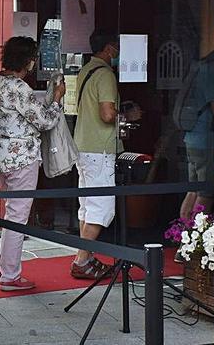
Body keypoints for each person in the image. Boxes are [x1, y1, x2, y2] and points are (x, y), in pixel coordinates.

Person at [0, 36, 65, 291]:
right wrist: (57, 99)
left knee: (11, 212)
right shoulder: (19, 88)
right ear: (28, 61)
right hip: (21, 157)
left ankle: (3, 267)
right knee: (18, 216)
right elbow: (44, 120)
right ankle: (10, 274)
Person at [72, 32, 138, 279]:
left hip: (83, 144)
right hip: (100, 148)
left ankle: (86, 256)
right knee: (102, 206)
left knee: (87, 205)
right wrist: (128, 116)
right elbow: (107, 114)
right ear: (110, 48)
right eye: (118, 48)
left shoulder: (86, 70)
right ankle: (82, 259)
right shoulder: (106, 75)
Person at [176, 46, 214, 220]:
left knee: (192, 189)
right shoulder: (213, 69)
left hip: (191, 137)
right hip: (205, 139)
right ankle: (196, 237)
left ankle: (182, 233)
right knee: (206, 192)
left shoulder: (200, 65)